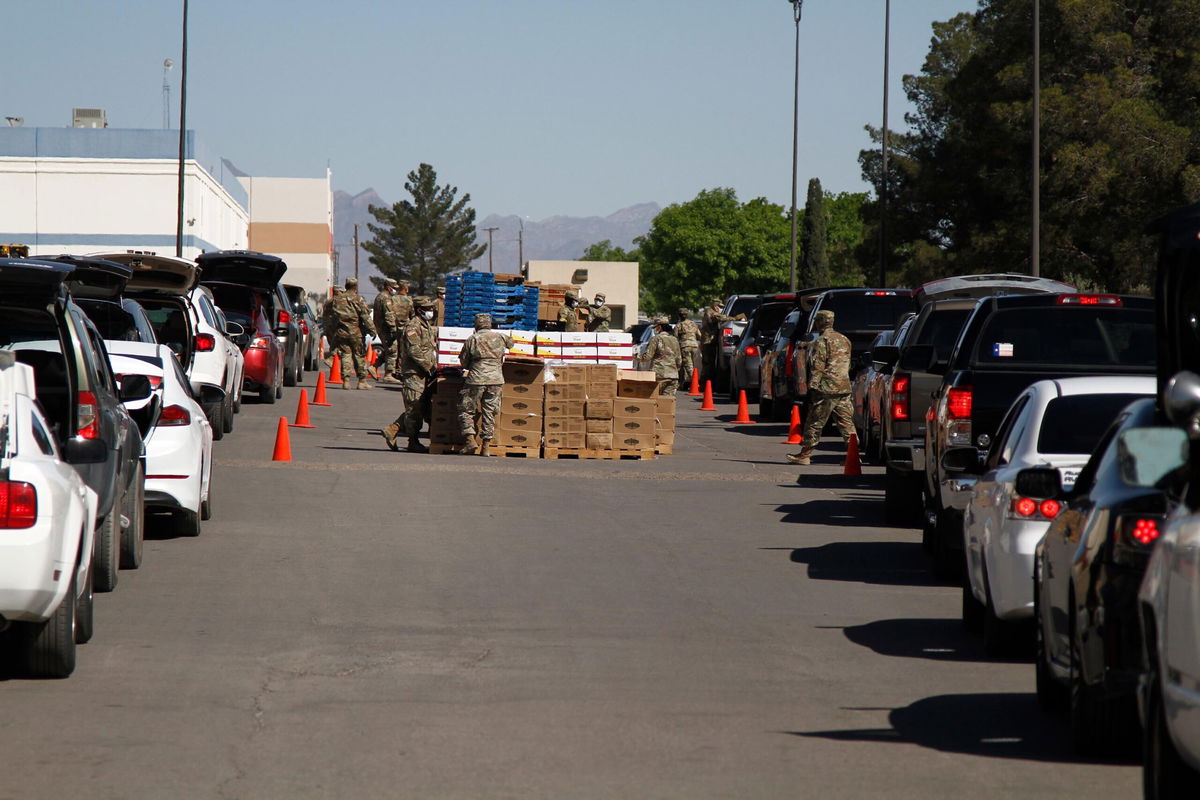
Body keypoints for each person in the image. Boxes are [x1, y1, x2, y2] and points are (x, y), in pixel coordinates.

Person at [788, 309, 855, 465]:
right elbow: (848, 363)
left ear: (819, 322)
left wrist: (812, 386)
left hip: (826, 388)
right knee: (846, 423)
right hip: (844, 386)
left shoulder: (822, 341)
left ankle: (805, 454)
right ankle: (853, 455)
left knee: (814, 421)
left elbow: (818, 365)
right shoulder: (844, 339)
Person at [381, 296, 438, 452]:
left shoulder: (425, 325)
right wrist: (429, 366)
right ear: (419, 310)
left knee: (422, 406)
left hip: (423, 373)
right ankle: (411, 440)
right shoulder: (413, 326)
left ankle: (393, 429)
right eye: (428, 309)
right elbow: (414, 350)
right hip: (414, 372)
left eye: (431, 309)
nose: (431, 312)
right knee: (414, 406)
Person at [457, 313, 515, 456]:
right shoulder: (500, 336)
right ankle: (486, 447)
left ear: (476, 324)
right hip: (496, 379)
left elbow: (463, 362)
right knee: (490, 412)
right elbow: (512, 344)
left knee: (466, 409)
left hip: (476, 379)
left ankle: (470, 440)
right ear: (490, 324)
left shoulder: (473, 339)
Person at [325, 277, 376, 389]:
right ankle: (362, 381)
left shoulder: (337, 299)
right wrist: (372, 330)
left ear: (346, 285)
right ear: (355, 286)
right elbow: (365, 316)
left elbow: (332, 317)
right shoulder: (358, 299)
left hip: (342, 331)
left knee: (345, 355)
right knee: (359, 355)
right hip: (356, 332)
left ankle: (346, 381)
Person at [382, 280, 413, 383]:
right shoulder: (409, 300)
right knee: (403, 351)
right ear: (406, 289)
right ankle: (400, 372)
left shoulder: (392, 299)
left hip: (394, 328)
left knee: (393, 350)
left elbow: (389, 313)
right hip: (404, 329)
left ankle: (391, 371)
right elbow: (412, 315)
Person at [644, 316, 683, 397]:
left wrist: (634, 356)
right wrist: (674, 371)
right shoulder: (674, 339)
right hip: (673, 376)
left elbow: (647, 357)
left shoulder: (656, 339)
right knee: (667, 404)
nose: (655, 329)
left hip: (659, 376)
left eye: (656, 327)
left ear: (660, 327)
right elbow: (679, 360)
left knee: (655, 401)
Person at [700, 298, 732, 383]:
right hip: (708, 342)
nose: (719, 309)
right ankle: (705, 383)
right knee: (708, 363)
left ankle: (708, 383)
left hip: (710, 341)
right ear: (714, 305)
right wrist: (733, 318)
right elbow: (718, 317)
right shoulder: (709, 312)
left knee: (710, 363)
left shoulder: (711, 312)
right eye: (718, 306)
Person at [373, 278, 399, 380]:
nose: (395, 290)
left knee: (388, 350)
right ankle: (388, 374)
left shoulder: (379, 297)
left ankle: (373, 366)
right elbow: (389, 315)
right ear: (389, 287)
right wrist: (393, 329)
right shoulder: (386, 298)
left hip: (380, 327)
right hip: (386, 328)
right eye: (394, 288)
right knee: (393, 350)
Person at [675, 307, 701, 386]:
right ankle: (687, 382)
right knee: (693, 365)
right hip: (694, 346)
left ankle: (695, 384)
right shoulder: (693, 324)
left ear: (679, 315)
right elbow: (699, 335)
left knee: (688, 365)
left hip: (685, 346)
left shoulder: (679, 325)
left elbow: (675, 337)